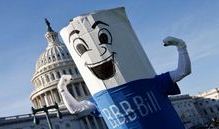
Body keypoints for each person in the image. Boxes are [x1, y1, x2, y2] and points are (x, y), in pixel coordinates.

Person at [58, 36, 191, 129]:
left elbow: (183, 71)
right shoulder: (102, 98)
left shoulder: (150, 83)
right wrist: (62, 87)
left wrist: (181, 46)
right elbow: (74, 109)